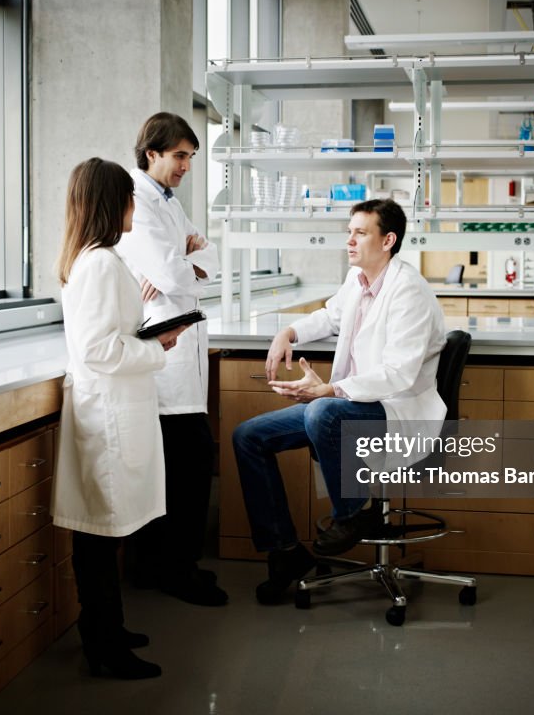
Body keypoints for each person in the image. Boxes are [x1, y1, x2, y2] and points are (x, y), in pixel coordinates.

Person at [232, 199, 447, 605]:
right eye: (349, 231)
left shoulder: (409, 291)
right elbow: (330, 316)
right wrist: (289, 333)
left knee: (323, 411)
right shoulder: (358, 278)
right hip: (346, 408)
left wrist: (330, 390)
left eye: (360, 233)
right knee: (248, 437)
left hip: (396, 411)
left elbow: (398, 374)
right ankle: (286, 553)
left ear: (388, 240)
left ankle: (352, 513)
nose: (349, 240)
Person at [51, 157, 188, 679]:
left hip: (112, 408)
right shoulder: (101, 263)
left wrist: (150, 334)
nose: (136, 206)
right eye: (129, 197)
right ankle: (103, 645)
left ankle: (109, 628)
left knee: (105, 533)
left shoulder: (98, 259)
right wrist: (157, 347)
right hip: (107, 414)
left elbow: (108, 335)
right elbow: (99, 351)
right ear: (113, 202)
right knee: (99, 536)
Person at [116, 112, 227, 606]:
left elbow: (209, 261)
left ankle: (167, 567)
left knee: (183, 465)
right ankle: (174, 571)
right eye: (180, 155)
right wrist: (187, 260)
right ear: (152, 153)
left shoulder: (166, 201)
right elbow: (173, 272)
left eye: (191, 157)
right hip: (163, 357)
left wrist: (193, 258)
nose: (186, 166)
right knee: (188, 464)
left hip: (177, 351)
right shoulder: (138, 201)